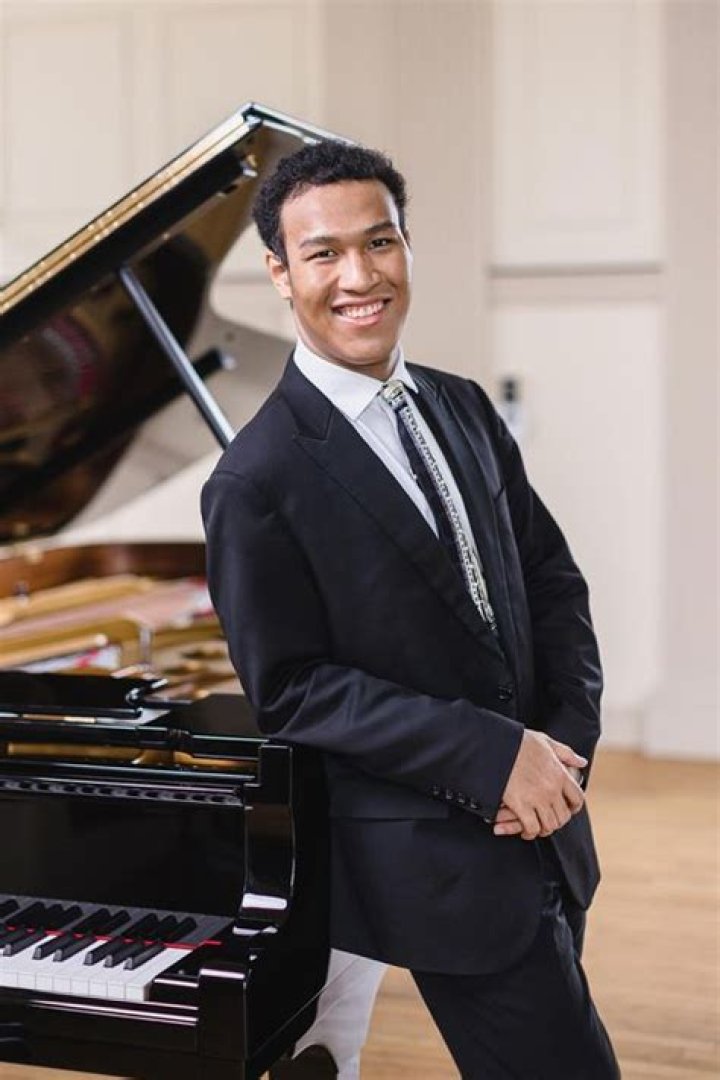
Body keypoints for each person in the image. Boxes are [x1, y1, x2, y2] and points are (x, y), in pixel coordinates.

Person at [201, 140, 620, 1079]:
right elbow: (293, 691)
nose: (360, 276)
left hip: (548, 823)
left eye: (380, 242)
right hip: (437, 859)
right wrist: (492, 756)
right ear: (280, 272)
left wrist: (563, 744)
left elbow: (551, 582)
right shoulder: (254, 481)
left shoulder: (463, 406)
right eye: (323, 253)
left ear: (406, 247)